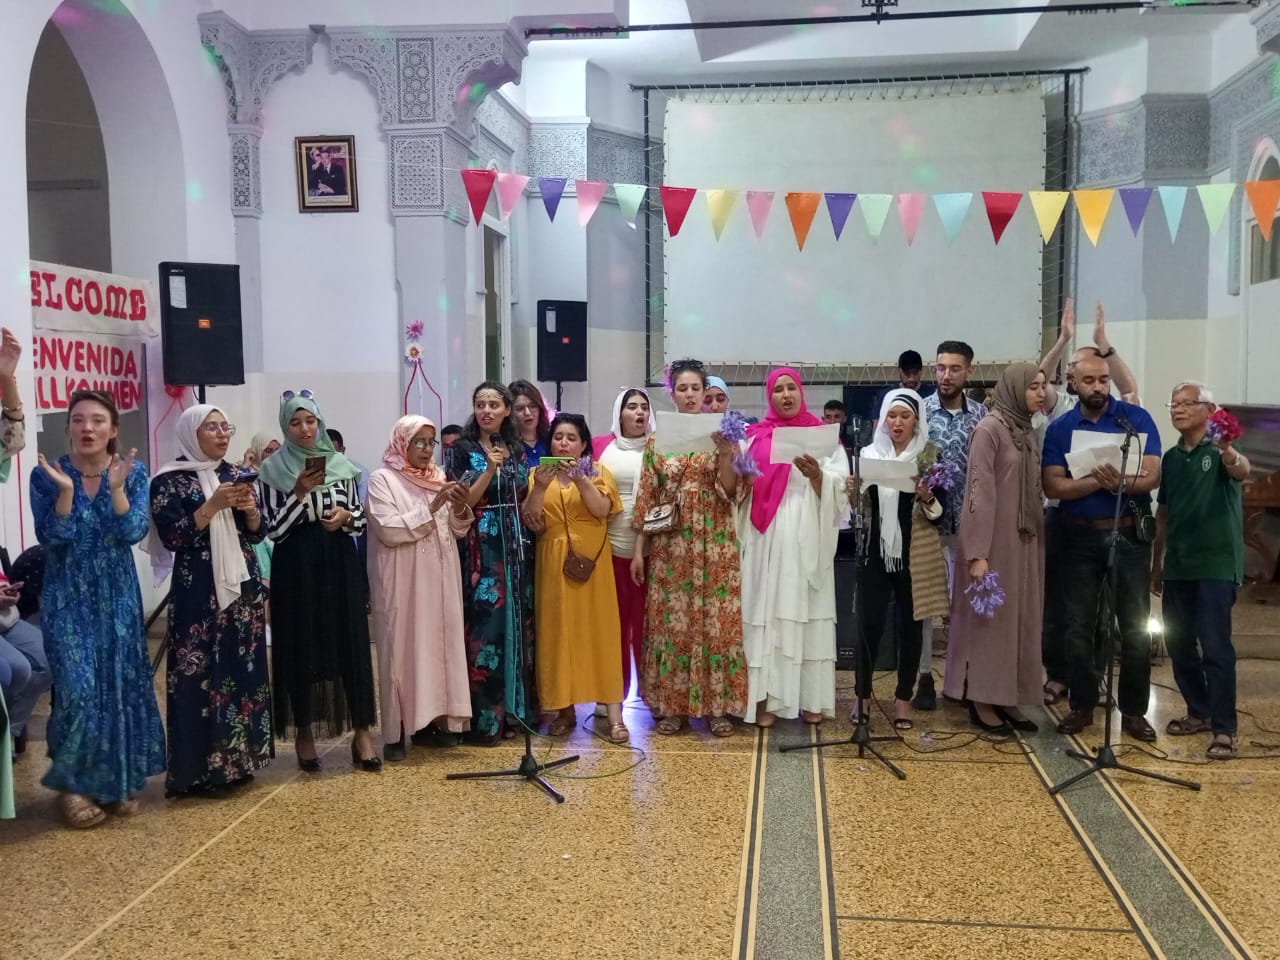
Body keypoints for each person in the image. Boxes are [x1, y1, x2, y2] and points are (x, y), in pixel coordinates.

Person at [30, 390, 164, 828]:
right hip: (66, 598)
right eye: (78, 419)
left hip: (117, 596)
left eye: (97, 420)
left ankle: (112, 781)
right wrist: (67, 492)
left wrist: (118, 488)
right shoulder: (46, 475)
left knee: (118, 687)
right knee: (78, 690)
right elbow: (52, 537)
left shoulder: (133, 472)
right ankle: (73, 786)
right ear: (68, 426)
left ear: (112, 429)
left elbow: (133, 530)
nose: (87, 427)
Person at [149, 405, 272, 798]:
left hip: (242, 589)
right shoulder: (168, 480)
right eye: (212, 428)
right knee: (197, 676)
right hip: (198, 593)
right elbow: (173, 538)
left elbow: (258, 534)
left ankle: (239, 761)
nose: (222, 434)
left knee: (241, 669)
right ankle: (198, 771)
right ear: (191, 433)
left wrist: (251, 512)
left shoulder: (236, 473)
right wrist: (212, 506)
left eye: (225, 427)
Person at [258, 391, 380, 772]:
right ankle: (304, 733)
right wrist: (298, 494)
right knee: (302, 645)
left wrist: (346, 517)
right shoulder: (271, 471)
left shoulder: (341, 465)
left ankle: (362, 733)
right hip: (296, 565)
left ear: (320, 422)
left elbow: (360, 518)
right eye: (295, 423)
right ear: (285, 427)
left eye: (310, 421)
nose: (305, 429)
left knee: (350, 643)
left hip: (339, 559)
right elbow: (272, 530)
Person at [1043, 354, 1161, 740]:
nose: (1098, 387)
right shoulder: (1061, 427)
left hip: (1128, 535)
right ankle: (1082, 704)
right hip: (1078, 536)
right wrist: (1099, 481)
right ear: (1073, 383)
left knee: (1135, 626)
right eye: (1089, 380)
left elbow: (1152, 475)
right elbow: (1053, 485)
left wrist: (1120, 483)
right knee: (1079, 625)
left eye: (1104, 380)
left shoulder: (1134, 420)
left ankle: (1134, 711)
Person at [632, 358, 747, 736]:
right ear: (673, 394)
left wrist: (726, 453)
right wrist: (639, 550)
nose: (690, 395)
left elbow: (731, 492)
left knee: (717, 624)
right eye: (682, 389)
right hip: (672, 546)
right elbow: (647, 497)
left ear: (705, 391)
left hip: (715, 541)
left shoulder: (724, 433)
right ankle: (672, 707)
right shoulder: (657, 439)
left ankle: (717, 707)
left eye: (696, 388)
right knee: (672, 625)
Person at [739, 368, 849, 726]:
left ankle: (810, 699)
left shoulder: (823, 436)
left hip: (809, 527)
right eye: (778, 389)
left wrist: (818, 476)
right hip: (768, 534)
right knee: (769, 612)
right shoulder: (755, 437)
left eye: (791, 388)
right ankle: (767, 700)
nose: (786, 395)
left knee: (808, 609)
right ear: (769, 396)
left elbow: (840, 486)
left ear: (801, 392)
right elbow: (740, 488)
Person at [942, 364, 1048, 733]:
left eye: (1043, 386)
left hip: (1024, 541)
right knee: (991, 623)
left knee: (1020, 620)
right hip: (993, 543)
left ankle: (1009, 696)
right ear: (1015, 389)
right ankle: (982, 699)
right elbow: (979, 494)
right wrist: (978, 553)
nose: (1040, 393)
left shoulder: (1024, 429)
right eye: (1033, 386)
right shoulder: (989, 430)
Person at [366, 416, 474, 761]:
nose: (427, 450)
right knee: (402, 649)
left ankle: (433, 722)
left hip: (440, 577)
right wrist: (433, 507)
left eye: (431, 442)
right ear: (402, 442)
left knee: (436, 648)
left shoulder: (438, 477)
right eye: (419, 442)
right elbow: (387, 529)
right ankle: (397, 732)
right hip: (403, 579)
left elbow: (457, 529)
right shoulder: (383, 479)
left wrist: (459, 506)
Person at [1152, 382, 1250, 759]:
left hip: (1215, 564)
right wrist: (1156, 563)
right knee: (1178, 644)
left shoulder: (1221, 451)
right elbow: (1163, 514)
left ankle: (1224, 729)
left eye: (1186, 403)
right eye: (1173, 404)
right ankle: (1199, 710)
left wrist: (1227, 448)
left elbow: (1241, 470)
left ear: (1209, 410)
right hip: (1178, 565)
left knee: (1215, 646)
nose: (1177, 409)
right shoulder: (1172, 458)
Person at [524, 414, 627, 741]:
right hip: (552, 561)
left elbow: (601, 510)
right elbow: (534, 522)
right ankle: (563, 711)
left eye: (571, 438)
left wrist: (581, 478)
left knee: (600, 634)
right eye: (558, 437)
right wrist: (541, 488)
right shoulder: (536, 475)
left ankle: (614, 715)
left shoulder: (598, 472)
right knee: (558, 634)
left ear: (583, 444)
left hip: (593, 562)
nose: (564, 444)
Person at [850, 389, 948, 730]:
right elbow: (859, 510)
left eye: (905, 416)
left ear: (916, 420)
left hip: (914, 553)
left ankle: (903, 699)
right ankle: (862, 697)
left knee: (911, 627)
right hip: (875, 552)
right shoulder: (868, 454)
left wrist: (927, 495)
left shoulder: (929, 455)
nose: (897, 423)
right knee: (869, 625)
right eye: (891, 416)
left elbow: (940, 514)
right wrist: (853, 489)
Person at [447, 381, 537, 745]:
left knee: (519, 622)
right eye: (480, 404)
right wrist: (488, 470)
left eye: (493, 405)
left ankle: (516, 713)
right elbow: (462, 502)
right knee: (487, 625)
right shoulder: (462, 449)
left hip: (515, 540)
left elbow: (523, 493)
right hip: (482, 541)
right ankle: (486, 719)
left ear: (506, 411)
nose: (486, 411)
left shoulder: (515, 448)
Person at [915, 340, 988, 710]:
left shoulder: (982, 416)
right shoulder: (920, 412)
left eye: (954, 369)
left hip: (969, 525)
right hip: (928, 524)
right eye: (941, 368)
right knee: (927, 605)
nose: (946, 375)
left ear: (969, 371)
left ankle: (964, 677)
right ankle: (924, 676)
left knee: (968, 604)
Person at [592, 388, 656, 704]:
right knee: (613, 626)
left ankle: (651, 692)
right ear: (619, 413)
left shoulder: (658, 448)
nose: (639, 412)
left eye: (644, 407)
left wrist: (641, 549)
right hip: (609, 549)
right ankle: (613, 693)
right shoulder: (602, 447)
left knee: (647, 627)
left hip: (651, 551)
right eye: (631, 407)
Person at [1, 577, 49, 758]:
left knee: (49, 658)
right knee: (17, 669)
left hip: (6, 619)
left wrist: (5, 589)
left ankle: (9, 730)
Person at [241, 433, 280, 589]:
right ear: (257, 452)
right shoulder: (246, 472)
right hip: (257, 531)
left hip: (280, 528)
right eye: (268, 451)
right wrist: (245, 466)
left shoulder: (285, 474)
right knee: (259, 545)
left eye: (278, 450)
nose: (274, 455)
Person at [509, 379, 551, 467]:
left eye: (533, 406)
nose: (527, 413)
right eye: (520, 408)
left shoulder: (550, 441)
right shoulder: (507, 446)